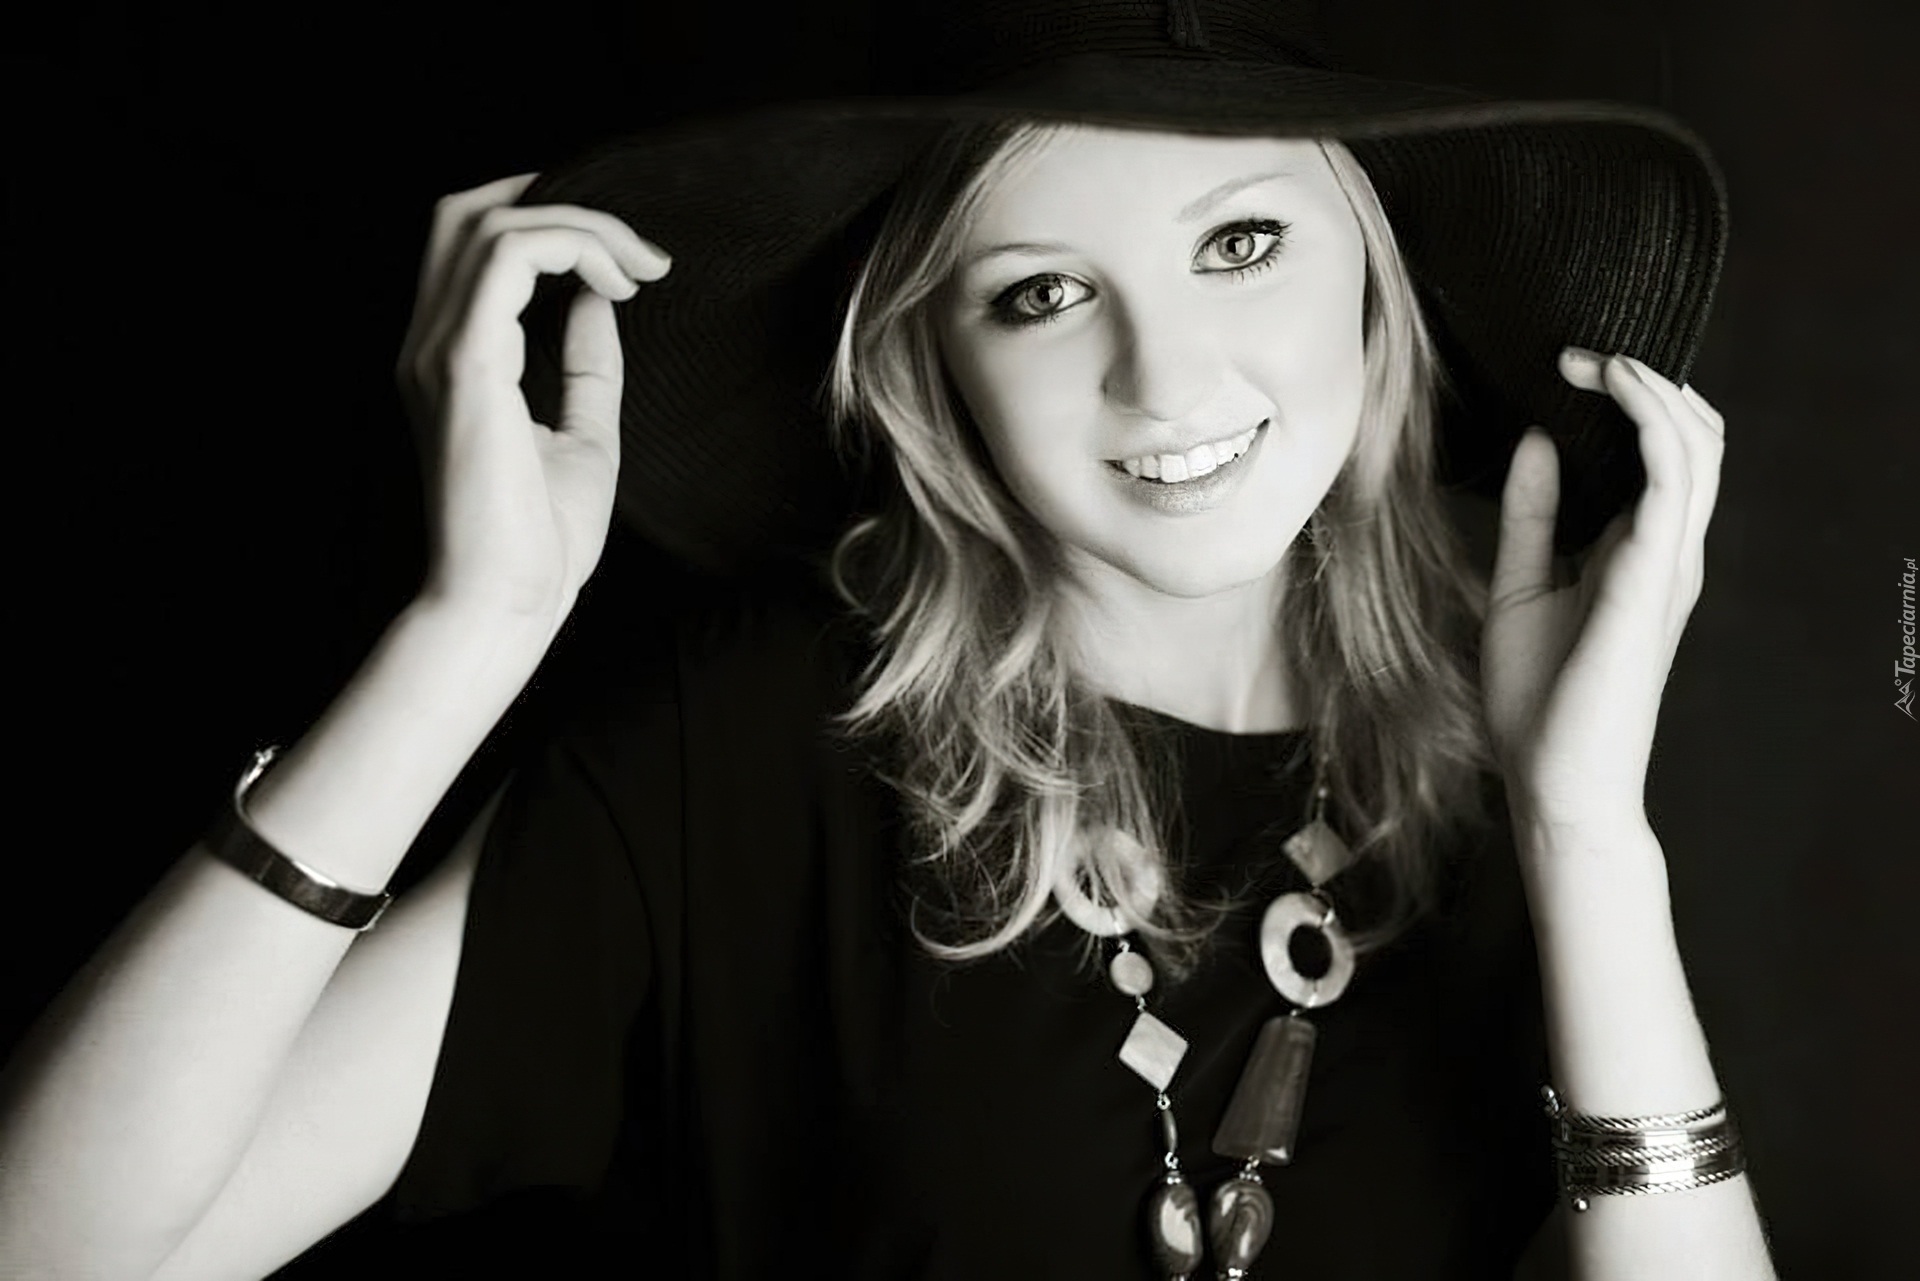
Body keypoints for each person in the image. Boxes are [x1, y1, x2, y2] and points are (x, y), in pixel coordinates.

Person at [0, 4, 1776, 1278]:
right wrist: (465, 635)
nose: (1164, 380)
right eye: (1041, 292)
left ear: (1374, 288)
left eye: (1241, 241)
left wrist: (1582, 837)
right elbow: (61, 1246)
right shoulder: (742, 747)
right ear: (931, 369)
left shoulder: (1526, 741)